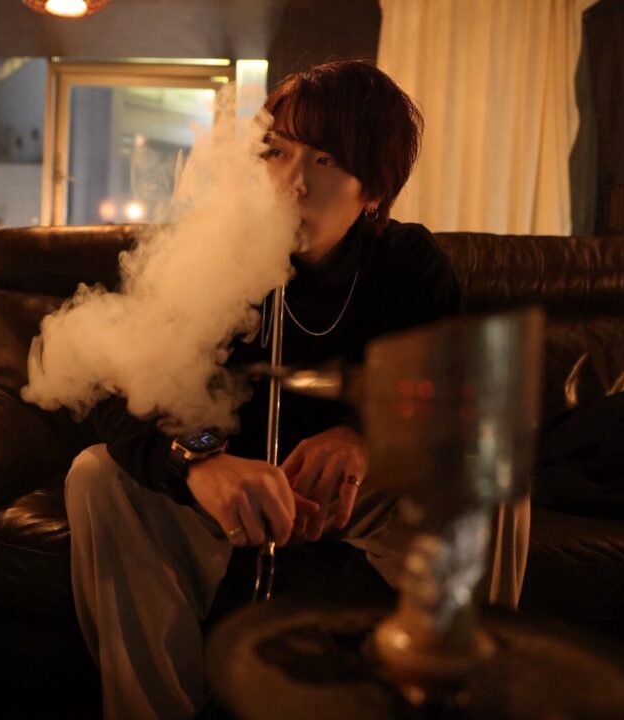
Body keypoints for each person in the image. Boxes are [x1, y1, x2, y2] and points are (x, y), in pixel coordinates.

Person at [64, 60, 527, 720]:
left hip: (355, 504)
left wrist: (367, 437)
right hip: (228, 503)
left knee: (493, 476)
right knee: (96, 476)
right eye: (278, 152)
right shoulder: (210, 253)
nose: (292, 181)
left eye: (325, 160)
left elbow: (458, 399)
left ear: (373, 193)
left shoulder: (409, 266)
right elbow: (112, 387)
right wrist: (201, 457)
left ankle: (459, 690)